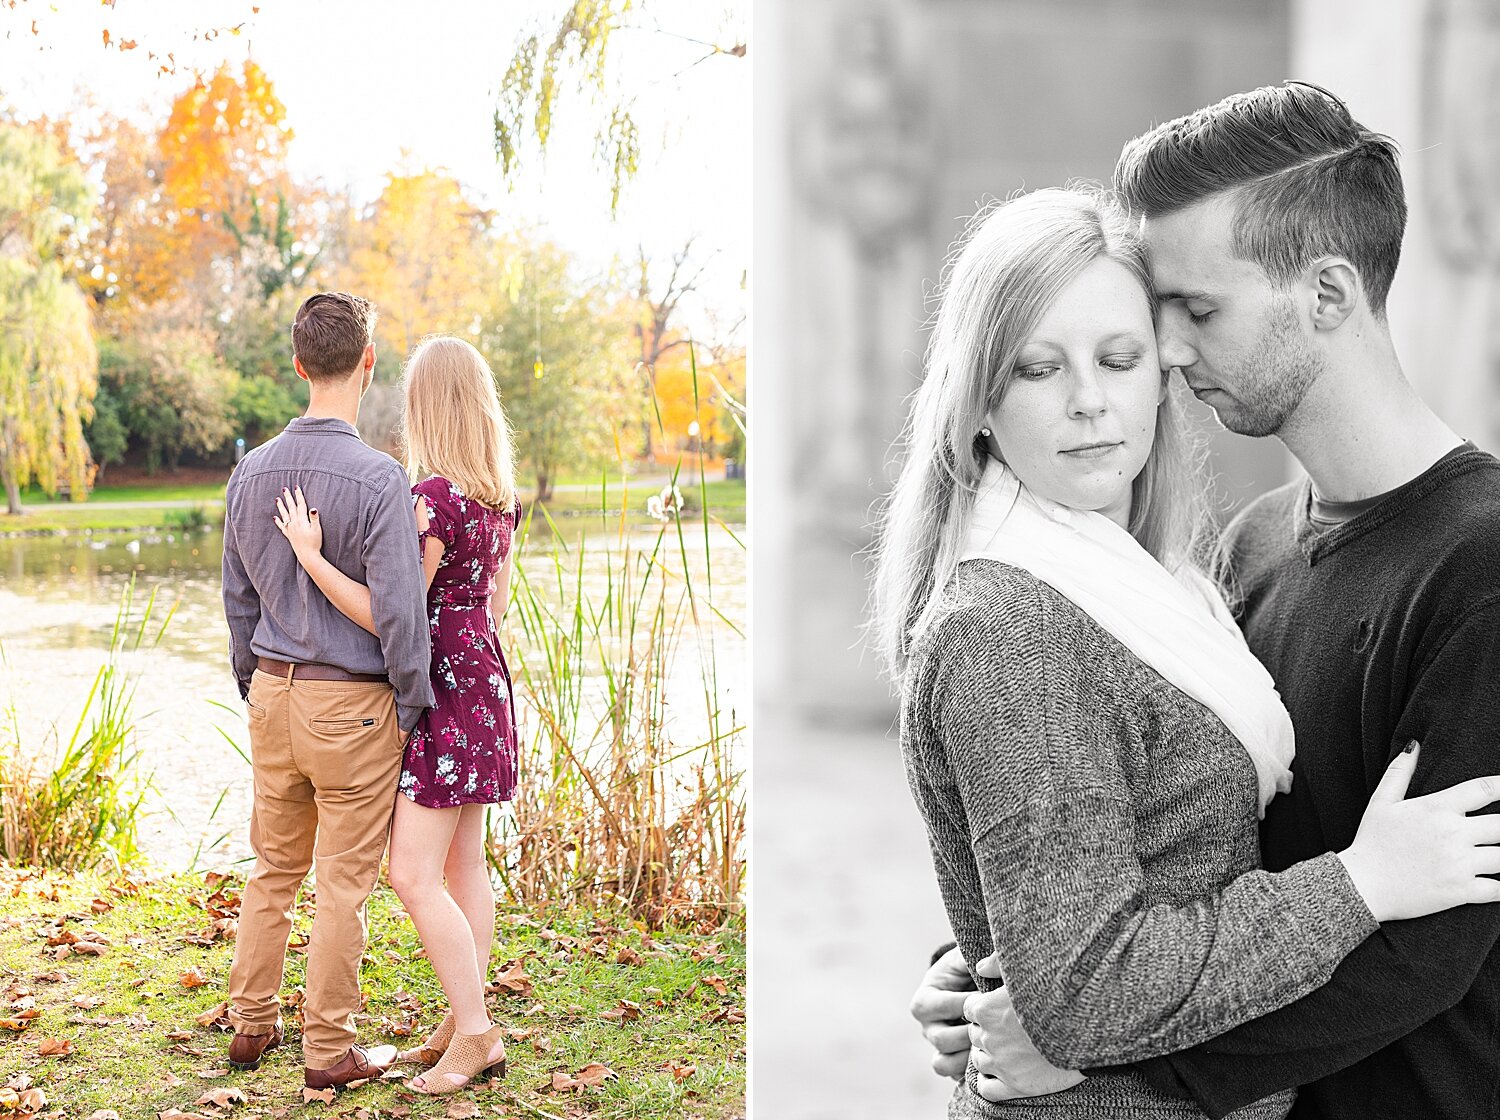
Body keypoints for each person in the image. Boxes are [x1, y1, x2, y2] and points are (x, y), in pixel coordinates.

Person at [911, 84, 1500, 1120]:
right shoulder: (1248, 547)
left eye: (1196, 311)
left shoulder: (1482, 565)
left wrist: (1100, 1058)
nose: (1168, 355)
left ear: (1326, 295)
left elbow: (1430, 948)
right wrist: (989, 968)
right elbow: (1187, 863)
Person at [272, 334, 521, 1095]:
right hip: (487, 687)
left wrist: (313, 559)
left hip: (444, 693)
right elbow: (496, 610)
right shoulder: (498, 501)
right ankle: (458, 1019)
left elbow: (394, 617)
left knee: (410, 874)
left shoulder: (435, 500)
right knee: (462, 865)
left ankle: (476, 1033)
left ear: (426, 407)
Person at [221, 291, 434, 1092]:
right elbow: (401, 619)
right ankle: (328, 1050)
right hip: (352, 704)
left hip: (274, 693)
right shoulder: (380, 480)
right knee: (344, 880)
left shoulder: (249, 473)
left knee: (273, 869)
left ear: (300, 364)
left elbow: (238, 603)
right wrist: (409, 707)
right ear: (368, 363)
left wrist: (257, 686)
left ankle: (250, 1024)